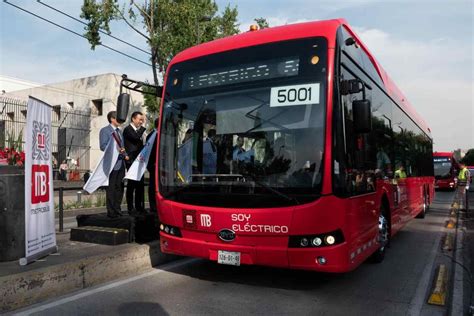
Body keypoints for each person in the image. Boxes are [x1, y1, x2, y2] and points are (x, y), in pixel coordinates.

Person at [99, 111, 128, 218]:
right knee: (111, 188)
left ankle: (117, 208)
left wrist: (125, 154)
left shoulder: (120, 132)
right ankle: (111, 211)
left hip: (121, 163)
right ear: (112, 119)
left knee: (119, 187)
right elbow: (103, 146)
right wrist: (116, 149)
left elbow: (122, 147)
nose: (120, 121)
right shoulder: (105, 131)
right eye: (118, 119)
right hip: (111, 164)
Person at [123, 111, 146, 215]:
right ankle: (130, 208)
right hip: (131, 161)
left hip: (139, 161)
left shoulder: (139, 131)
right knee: (131, 185)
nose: (141, 122)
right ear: (133, 119)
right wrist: (142, 128)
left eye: (142, 120)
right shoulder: (128, 129)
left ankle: (139, 206)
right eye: (139, 119)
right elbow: (135, 138)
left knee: (140, 186)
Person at [146, 118, 159, 214]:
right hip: (153, 165)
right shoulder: (151, 135)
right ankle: (153, 206)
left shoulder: (160, 135)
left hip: (160, 165)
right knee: (153, 186)